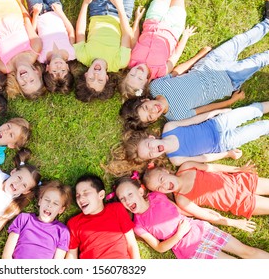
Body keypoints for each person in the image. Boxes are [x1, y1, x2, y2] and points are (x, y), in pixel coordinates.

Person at [119, 6, 269, 130]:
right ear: (154, 120)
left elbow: (178, 71)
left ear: (145, 100)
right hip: (227, 81)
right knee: (259, 60)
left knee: (239, 40)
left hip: (209, 63)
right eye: (151, 116)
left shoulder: (156, 86)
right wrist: (230, 101)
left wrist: (200, 55)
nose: (153, 110)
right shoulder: (176, 116)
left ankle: (266, 23)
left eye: (146, 108)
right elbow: (207, 109)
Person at [113, 175, 269, 258]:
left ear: (140, 191)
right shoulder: (139, 226)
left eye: (130, 194)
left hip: (202, 231)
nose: (128, 200)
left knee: (247, 251)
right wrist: (179, 234)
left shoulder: (157, 196)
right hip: (191, 251)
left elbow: (178, 210)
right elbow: (160, 248)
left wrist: (203, 213)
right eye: (123, 199)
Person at [122, 101, 269, 166]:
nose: (153, 149)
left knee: (253, 110)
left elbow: (195, 119)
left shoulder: (169, 127)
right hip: (224, 143)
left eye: (149, 145)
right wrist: (227, 154)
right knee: (259, 129)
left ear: (151, 137)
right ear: (152, 158)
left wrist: (217, 112)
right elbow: (203, 158)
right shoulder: (176, 159)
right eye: (150, 153)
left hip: (218, 123)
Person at [142, 161, 269, 232]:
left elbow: (212, 167)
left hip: (239, 181)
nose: (163, 185)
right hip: (239, 202)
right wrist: (234, 223)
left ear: (165, 171)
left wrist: (238, 169)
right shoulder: (182, 199)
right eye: (159, 188)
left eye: (161, 179)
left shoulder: (186, 167)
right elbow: (207, 215)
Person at [118, 0, 197, 99]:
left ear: (127, 73)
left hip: (153, 19)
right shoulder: (161, 71)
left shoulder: (131, 60)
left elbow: (134, 38)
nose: (137, 72)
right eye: (140, 78)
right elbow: (176, 54)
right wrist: (185, 36)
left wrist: (137, 19)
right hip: (173, 27)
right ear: (146, 82)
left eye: (132, 74)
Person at [66, 174, 140, 259]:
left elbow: (132, 244)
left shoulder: (117, 209)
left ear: (101, 195)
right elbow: (72, 255)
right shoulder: (74, 223)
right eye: (77, 195)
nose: (80, 198)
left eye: (85, 193)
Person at [73, 0, 134, 102]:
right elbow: (126, 35)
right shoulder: (119, 62)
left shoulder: (82, 56)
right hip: (122, 13)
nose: (96, 75)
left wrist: (85, 3)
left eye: (91, 79)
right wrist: (119, 7)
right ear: (106, 78)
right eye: (100, 80)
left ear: (86, 75)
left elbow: (80, 31)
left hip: (98, 9)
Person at [2, 180, 72, 259]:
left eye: (55, 203)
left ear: (61, 210)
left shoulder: (62, 231)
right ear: (40, 201)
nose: (49, 205)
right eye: (47, 200)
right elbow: (6, 256)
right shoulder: (24, 219)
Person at [25, 0, 76, 94]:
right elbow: (70, 31)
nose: (58, 66)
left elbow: (33, 33)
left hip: (38, 12)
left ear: (47, 69)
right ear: (68, 68)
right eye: (63, 70)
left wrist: (35, 14)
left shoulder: (41, 57)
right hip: (55, 8)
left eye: (55, 71)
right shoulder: (72, 53)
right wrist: (60, 12)